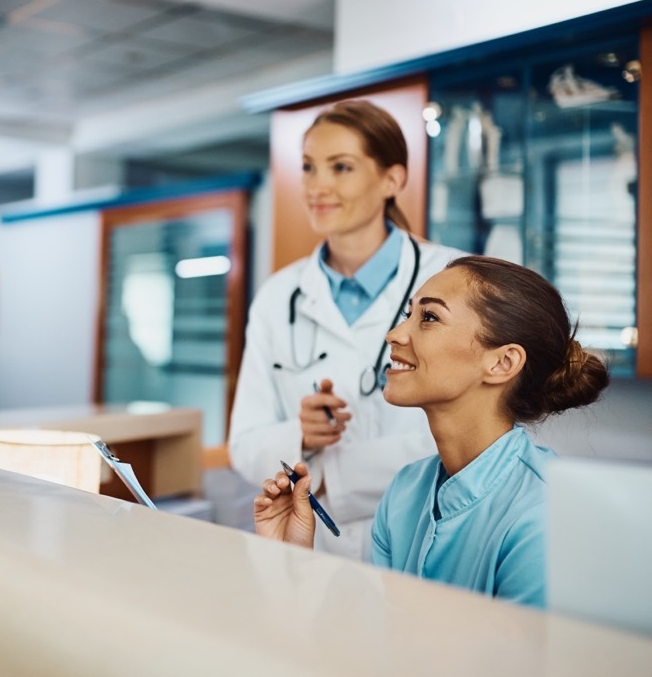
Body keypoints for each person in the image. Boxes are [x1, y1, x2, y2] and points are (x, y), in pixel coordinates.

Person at [253, 256, 610, 608]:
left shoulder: (544, 515)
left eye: (429, 317)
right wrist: (290, 561)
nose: (394, 334)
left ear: (502, 362)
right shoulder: (405, 492)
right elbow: (383, 649)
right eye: (409, 314)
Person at [228, 100, 462, 559]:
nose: (318, 186)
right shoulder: (279, 295)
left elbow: (473, 433)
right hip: (310, 550)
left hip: (422, 544)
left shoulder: (454, 279)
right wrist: (300, 433)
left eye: (341, 167)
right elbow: (243, 445)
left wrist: (335, 473)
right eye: (309, 168)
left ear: (392, 180)